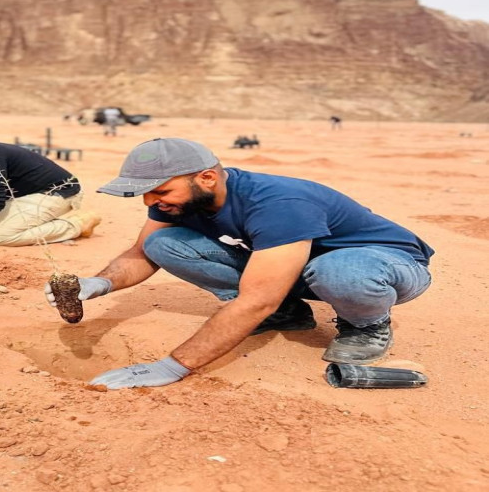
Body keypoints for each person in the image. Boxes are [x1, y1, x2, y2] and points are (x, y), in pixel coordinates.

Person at [44, 138, 434, 389]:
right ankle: (287, 313)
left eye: (159, 190)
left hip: (384, 265)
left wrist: (175, 366)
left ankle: (367, 325)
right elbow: (143, 252)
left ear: (207, 178)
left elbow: (256, 299)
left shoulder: (278, 203)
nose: (151, 202)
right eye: (144, 193)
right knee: (163, 243)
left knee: (340, 272)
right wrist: (99, 283)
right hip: (294, 267)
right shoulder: (179, 200)